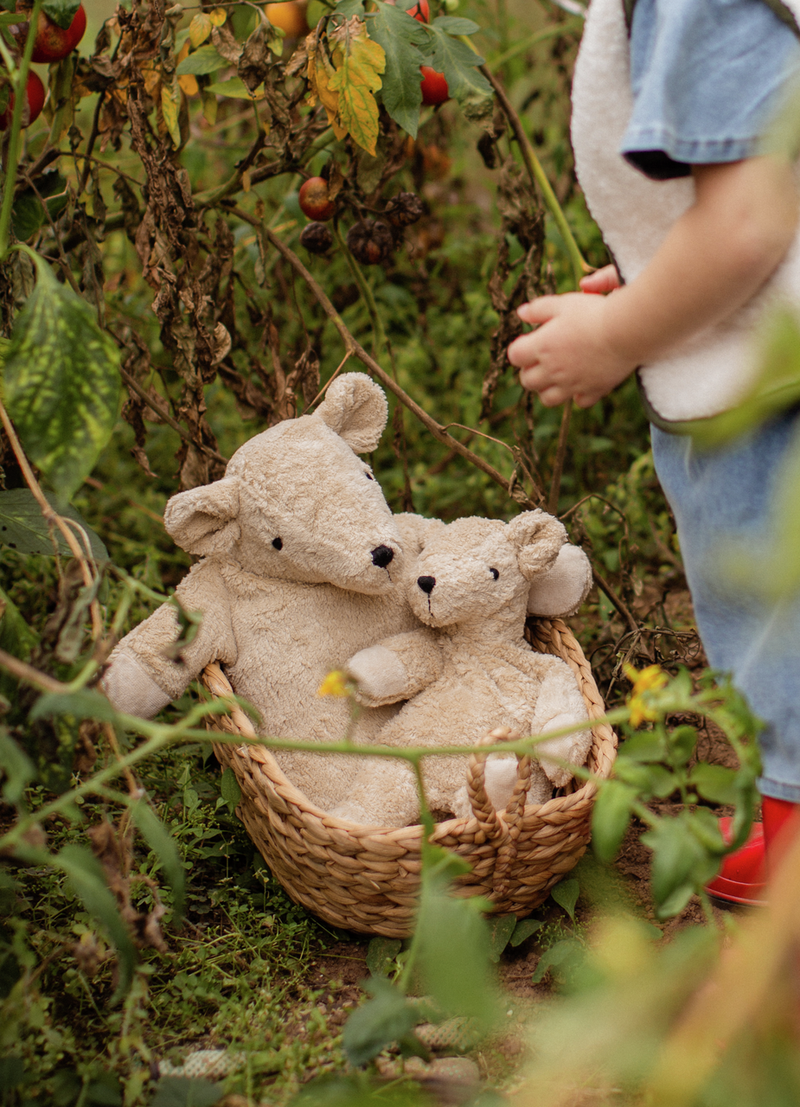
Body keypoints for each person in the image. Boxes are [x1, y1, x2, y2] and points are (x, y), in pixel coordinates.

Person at [507, 0, 800, 905]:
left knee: (774, 607)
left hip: (768, 384)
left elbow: (749, 218)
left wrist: (619, 334)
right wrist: (652, 281)